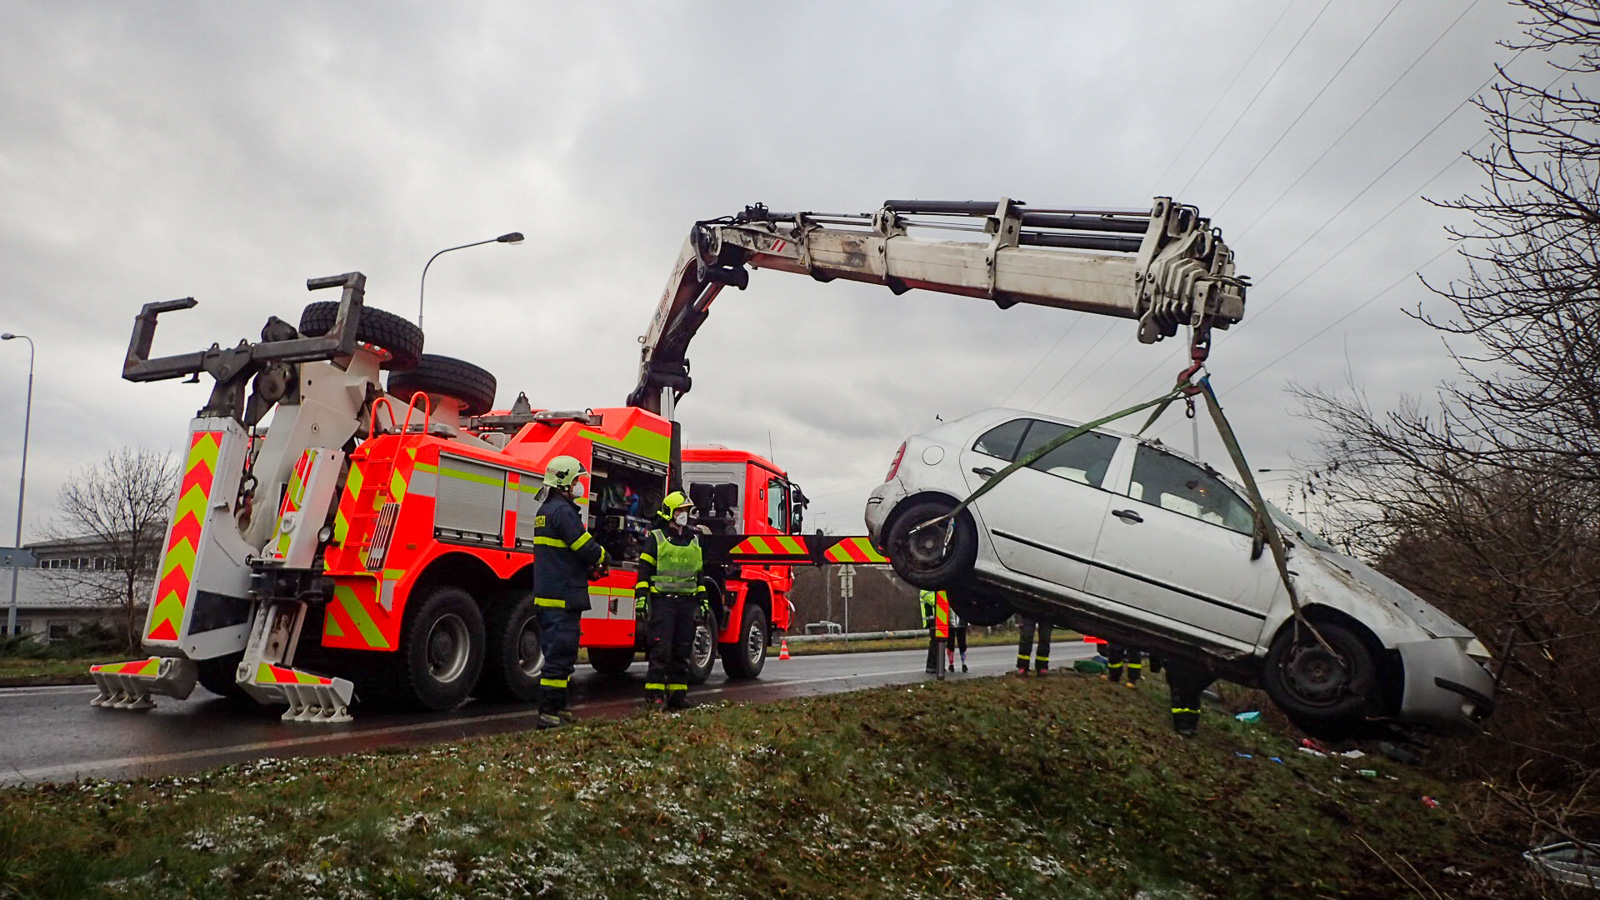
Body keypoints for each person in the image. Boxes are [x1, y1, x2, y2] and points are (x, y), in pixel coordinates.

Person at [532, 455, 607, 729]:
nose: (579, 485)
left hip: (553, 593)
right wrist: (602, 555)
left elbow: (563, 555)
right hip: (561, 596)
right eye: (576, 480)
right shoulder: (562, 512)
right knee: (559, 656)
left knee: (561, 655)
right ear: (564, 481)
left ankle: (558, 709)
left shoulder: (546, 510)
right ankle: (549, 713)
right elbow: (584, 547)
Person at [636, 491, 710, 711]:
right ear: (670, 513)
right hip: (663, 603)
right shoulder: (656, 538)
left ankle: (678, 696)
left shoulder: (694, 540)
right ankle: (654, 696)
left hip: (686, 604)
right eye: (680, 511)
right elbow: (644, 571)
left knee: (682, 649)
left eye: (686, 511)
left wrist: (703, 600)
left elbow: (698, 575)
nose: (684, 515)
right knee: (661, 649)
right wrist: (641, 597)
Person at [1165, 659, 1215, 737]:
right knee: (1181, 697)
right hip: (1179, 669)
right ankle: (1182, 726)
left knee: (1192, 697)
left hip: (1187, 668)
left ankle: (1191, 725)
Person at [919, 589, 950, 679]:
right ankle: (932, 665)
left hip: (939, 619)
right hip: (932, 620)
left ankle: (937, 665)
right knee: (935, 642)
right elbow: (935, 602)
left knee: (938, 642)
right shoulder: (926, 591)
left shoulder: (931, 590)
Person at [947, 607, 969, 673]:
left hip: (961, 621)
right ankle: (951, 664)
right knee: (950, 643)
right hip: (950, 622)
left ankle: (963, 663)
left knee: (962, 643)